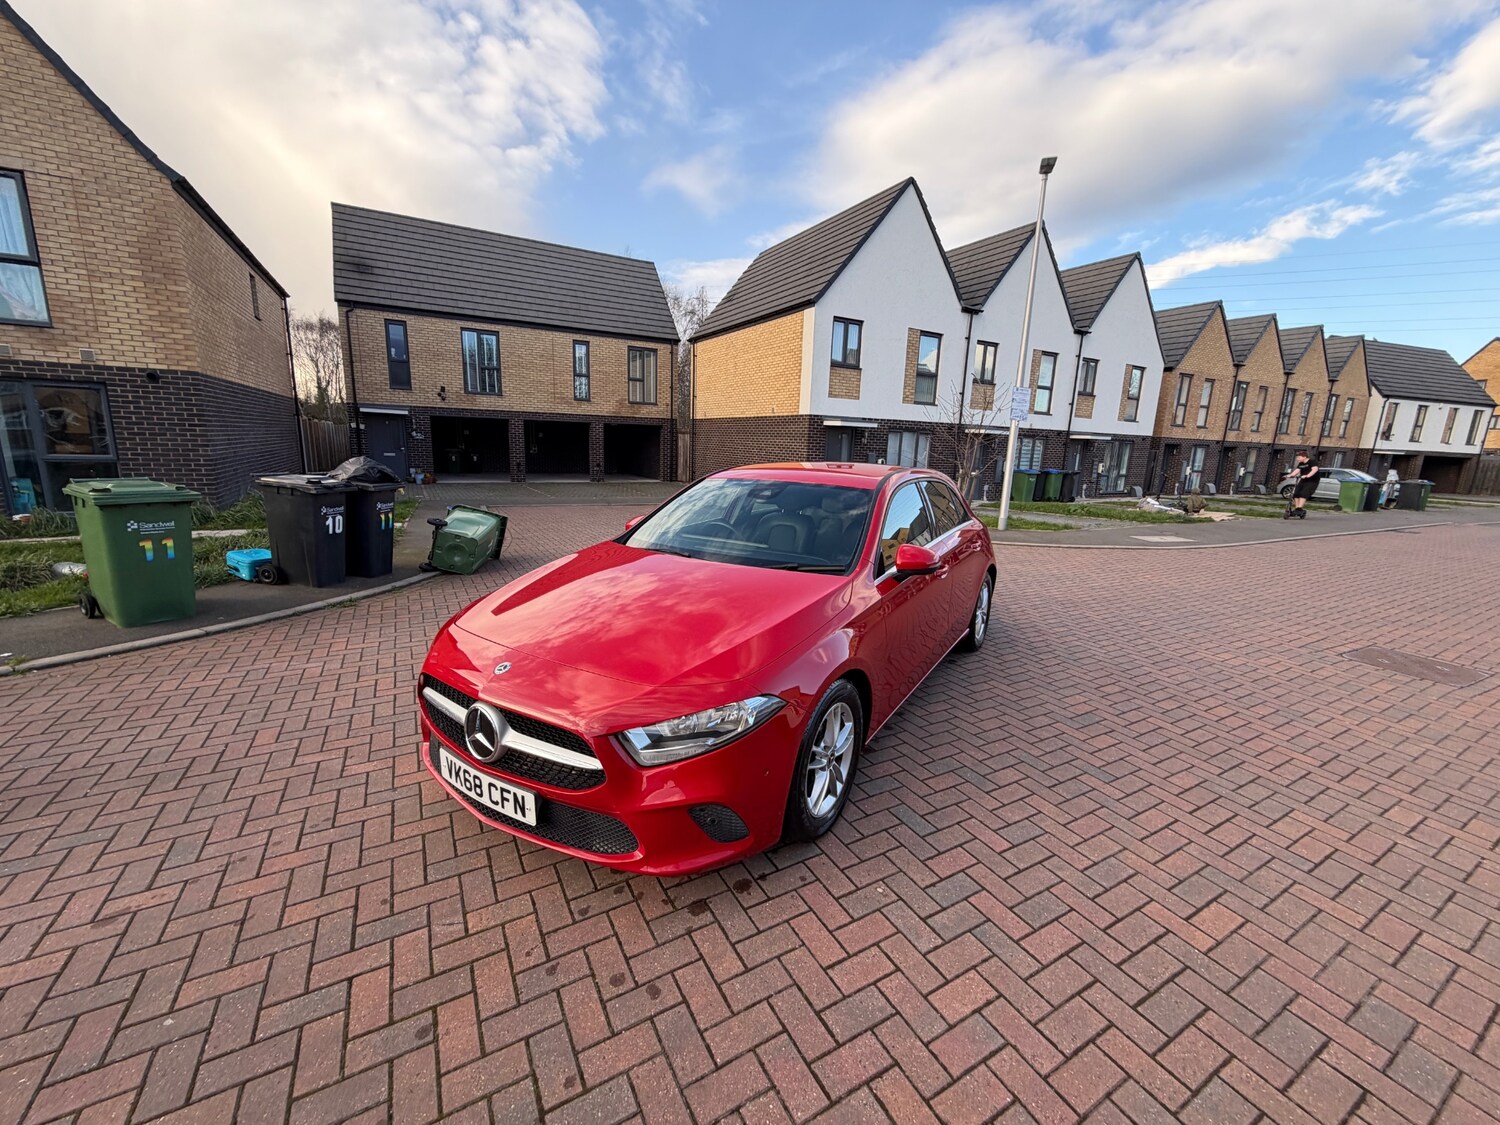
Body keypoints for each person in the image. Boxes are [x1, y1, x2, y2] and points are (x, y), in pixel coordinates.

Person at [1284, 451, 1320, 519]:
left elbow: (1315, 469)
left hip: (1312, 481)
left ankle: (1299, 508)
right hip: (1303, 480)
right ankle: (1298, 509)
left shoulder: (1312, 462)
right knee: (1296, 493)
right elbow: (1297, 470)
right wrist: (1290, 475)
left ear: (1304, 457)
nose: (1297, 459)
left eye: (1299, 457)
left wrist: (1307, 475)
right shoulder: (1301, 463)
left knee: (1304, 493)